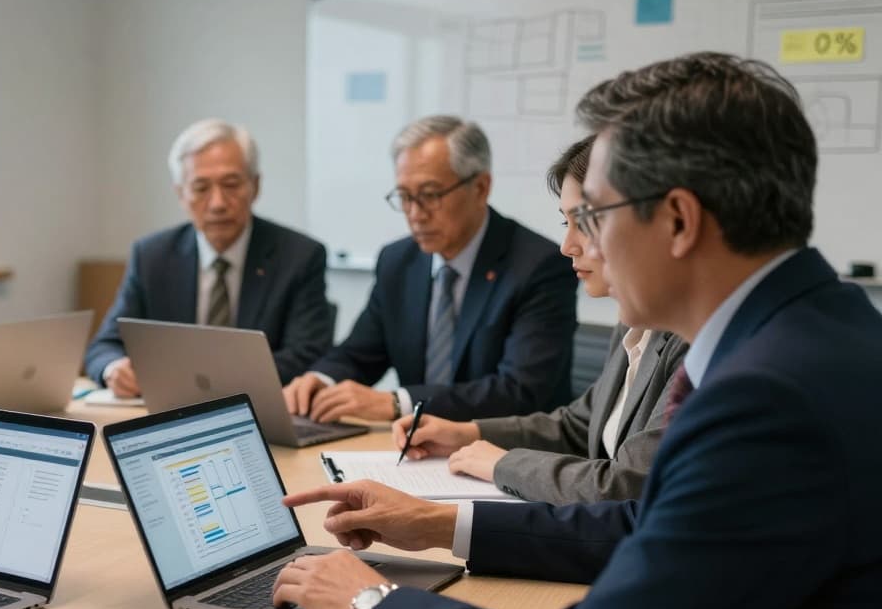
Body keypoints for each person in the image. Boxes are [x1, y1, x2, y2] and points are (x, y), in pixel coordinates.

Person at [271, 53, 882, 609]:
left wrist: (373, 604)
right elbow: (642, 526)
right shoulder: (827, 326)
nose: (574, 245)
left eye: (590, 215)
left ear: (678, 220)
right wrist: (437, 522)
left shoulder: (767, 403)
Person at [392, 135, 688, 503]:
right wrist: (468, 433)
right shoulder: (633, 319)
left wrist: (503, 465)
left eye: (585, 222)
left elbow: (627, 486)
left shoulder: (692, 337)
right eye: (566, 222)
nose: (568, 246)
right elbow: (579, 424)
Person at [282, 115, 577, 424]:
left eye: (430, 195)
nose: (415, 214)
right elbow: (360, 353)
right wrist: (321, 379)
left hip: (509, 452)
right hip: (419, 449)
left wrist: (400, 402)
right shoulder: (398, 261)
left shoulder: (538, 265)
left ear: (480, 187)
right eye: (405, 197)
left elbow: (519, 390)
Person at [84, 118, 332, 396]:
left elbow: (308, 354)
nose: (217, 204)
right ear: (181, 194)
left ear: (256, 186)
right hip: (169, 414)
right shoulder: (152, 256)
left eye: (231, 184)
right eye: (201, 188)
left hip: (258, 411)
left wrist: (209, 381)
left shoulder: (299, 256)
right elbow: (104, 346)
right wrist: (114, 368)